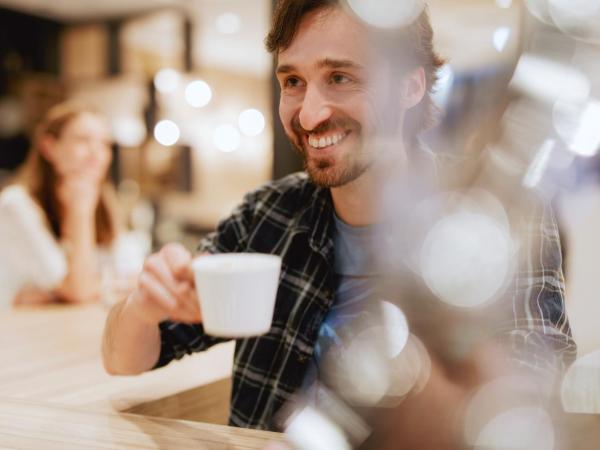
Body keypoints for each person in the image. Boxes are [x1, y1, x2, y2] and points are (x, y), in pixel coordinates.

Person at [102, 0, 576, 433]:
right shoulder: (266, 216)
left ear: (411, 85)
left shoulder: (489, 215)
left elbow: (534, 382)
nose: (309, 115)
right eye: (293, 82)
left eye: (340, 77)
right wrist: (145, 304)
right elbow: (122, 359)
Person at [0, 102, 122, 306]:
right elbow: (79, 290)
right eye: (83, 140)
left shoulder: (103, 200)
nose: (96, 153)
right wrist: (80, 212)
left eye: (104, 144)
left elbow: (126, 274)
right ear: (49, 147)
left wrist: (59, 294)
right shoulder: (16, 205)